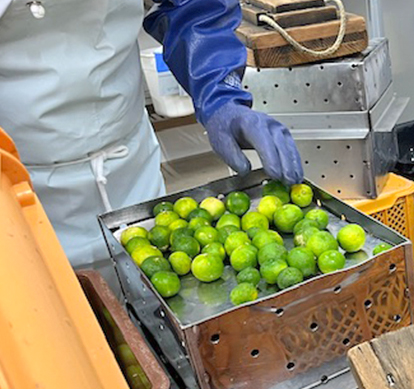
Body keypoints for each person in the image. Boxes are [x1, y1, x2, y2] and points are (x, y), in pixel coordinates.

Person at [0, 0, 303, 267]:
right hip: (19, 187)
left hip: (128, 167)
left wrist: (220, 93)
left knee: (156, 292)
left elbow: (194, 7)